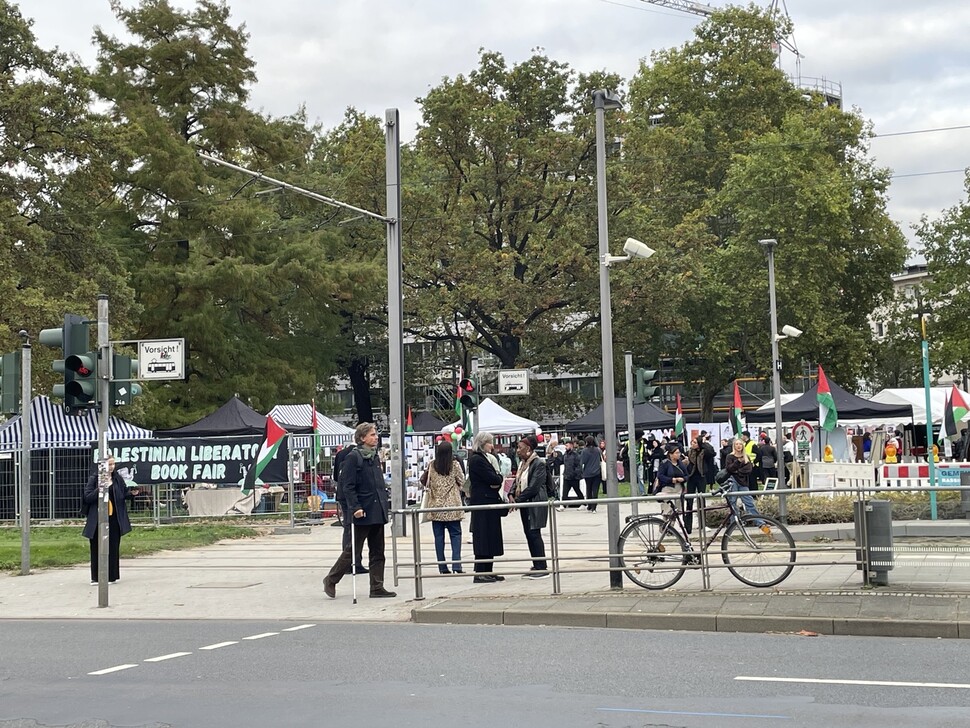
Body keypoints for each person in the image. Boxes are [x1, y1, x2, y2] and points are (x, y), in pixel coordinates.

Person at [323, 423, 396, 599]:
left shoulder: (375, 457)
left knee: (378, 552)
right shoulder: (353, 457)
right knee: (352, 551)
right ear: (362, 438)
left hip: (377, 509)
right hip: (363, 511)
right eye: (372, 435)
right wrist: (355, 507)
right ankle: (331, 579)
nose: (376, 437)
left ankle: (377, 587)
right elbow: (347, 486)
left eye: (375, 434)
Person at [82, 456, 132, 584]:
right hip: (98, 517)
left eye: (113, 464)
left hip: (114, 517)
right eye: (109, 464)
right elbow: (87, 497)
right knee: (97, 546)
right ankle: (96, 577)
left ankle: (112, 575)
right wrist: (101, 488)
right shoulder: (94, 479)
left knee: (113, 546)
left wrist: (132, 494)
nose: (111, 467)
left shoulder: (117, 478)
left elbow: (124, 493)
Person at [509, 434, 550, 578]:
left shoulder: (538, 463)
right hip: (526, 503)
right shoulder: (522, 464)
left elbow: (533, 487)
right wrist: (511, 493)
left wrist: (518, 500)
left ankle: (542, 567)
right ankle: (536, 564)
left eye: (520, 448)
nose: (517, 451)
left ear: (528, 448)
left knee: (534, 533)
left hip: (535, 502)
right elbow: (517, 481)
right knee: (529, 534)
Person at [422, 440, 466, 574]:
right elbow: (462, 481)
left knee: (439, 538)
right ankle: (457, 565)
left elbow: (426, 482)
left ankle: (442, 567)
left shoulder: (432, 465)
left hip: (436, 507)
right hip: (452, 506)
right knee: (455, 535)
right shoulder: (454, 465)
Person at [468, 431, 506, 583]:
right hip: (482, 502)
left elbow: (496, 479)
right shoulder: (477, 459)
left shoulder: (484, 458)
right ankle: (480, 572)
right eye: (490, 442)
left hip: (488, 500)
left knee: (490, 536)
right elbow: (493, 477)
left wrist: (497, 479)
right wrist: (498, 478)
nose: (492, 445)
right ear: (483, 443)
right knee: (483, 537)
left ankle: (488, 570)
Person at [724, 438, 767, 528]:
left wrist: (737, 471)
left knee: (749, 501)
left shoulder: (746, 456)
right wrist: (738, 463)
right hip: (733, 481)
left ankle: (759, 522)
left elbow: (748, 469)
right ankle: (734, 523)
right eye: (737, 444)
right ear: (734, 446)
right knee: (733, 502)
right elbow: (729, 469)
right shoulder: (730, 456)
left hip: (743, 482)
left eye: (740, 444)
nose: (739, 446)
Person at [685, 436, 714, 534]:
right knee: (689, 501)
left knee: (701, 500)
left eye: (695, 442)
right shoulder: (689, 452)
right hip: (691, 477)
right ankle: (687, 526)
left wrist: (704, 443)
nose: (692, 444)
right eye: (692, 442)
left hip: (701, 477)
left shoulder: (704, 452)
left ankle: (702, 525)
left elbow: (712, 452)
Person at [579, 436, 602, 512]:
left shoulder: (584, 451)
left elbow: (582, 461)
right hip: (597, 472)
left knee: (588, 489)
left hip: (587, 473)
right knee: (595, 490)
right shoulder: (598, 450)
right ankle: (594, 507)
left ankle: (589, 505)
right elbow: (601, 459)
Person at [561, 438, 583, 506]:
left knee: (577, 490)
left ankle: (583, 503)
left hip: (573, 477)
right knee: (565, 492)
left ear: (571, 446)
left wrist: (575, 474)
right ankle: (563, 505)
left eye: (567, 445)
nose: (566, 447)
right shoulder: (565, 454)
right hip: (567, 475)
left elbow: (578, 465)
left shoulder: (575, 455)